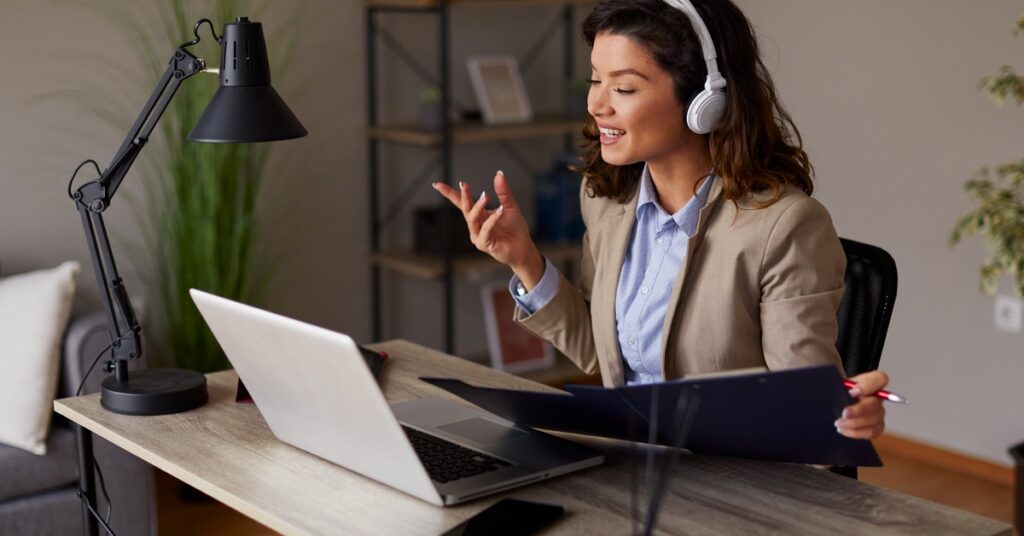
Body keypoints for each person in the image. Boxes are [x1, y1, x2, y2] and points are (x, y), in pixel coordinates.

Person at [433, 0, 887, 440]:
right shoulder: (606, 201)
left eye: (624, 88)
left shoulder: (785, 227)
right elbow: (599, 352)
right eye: (595, 80)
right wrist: (525, 260)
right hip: (629, 465)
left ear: (704, 100)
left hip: (731, 488)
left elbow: (809, 417)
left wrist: (844, 420)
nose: (597, 105)